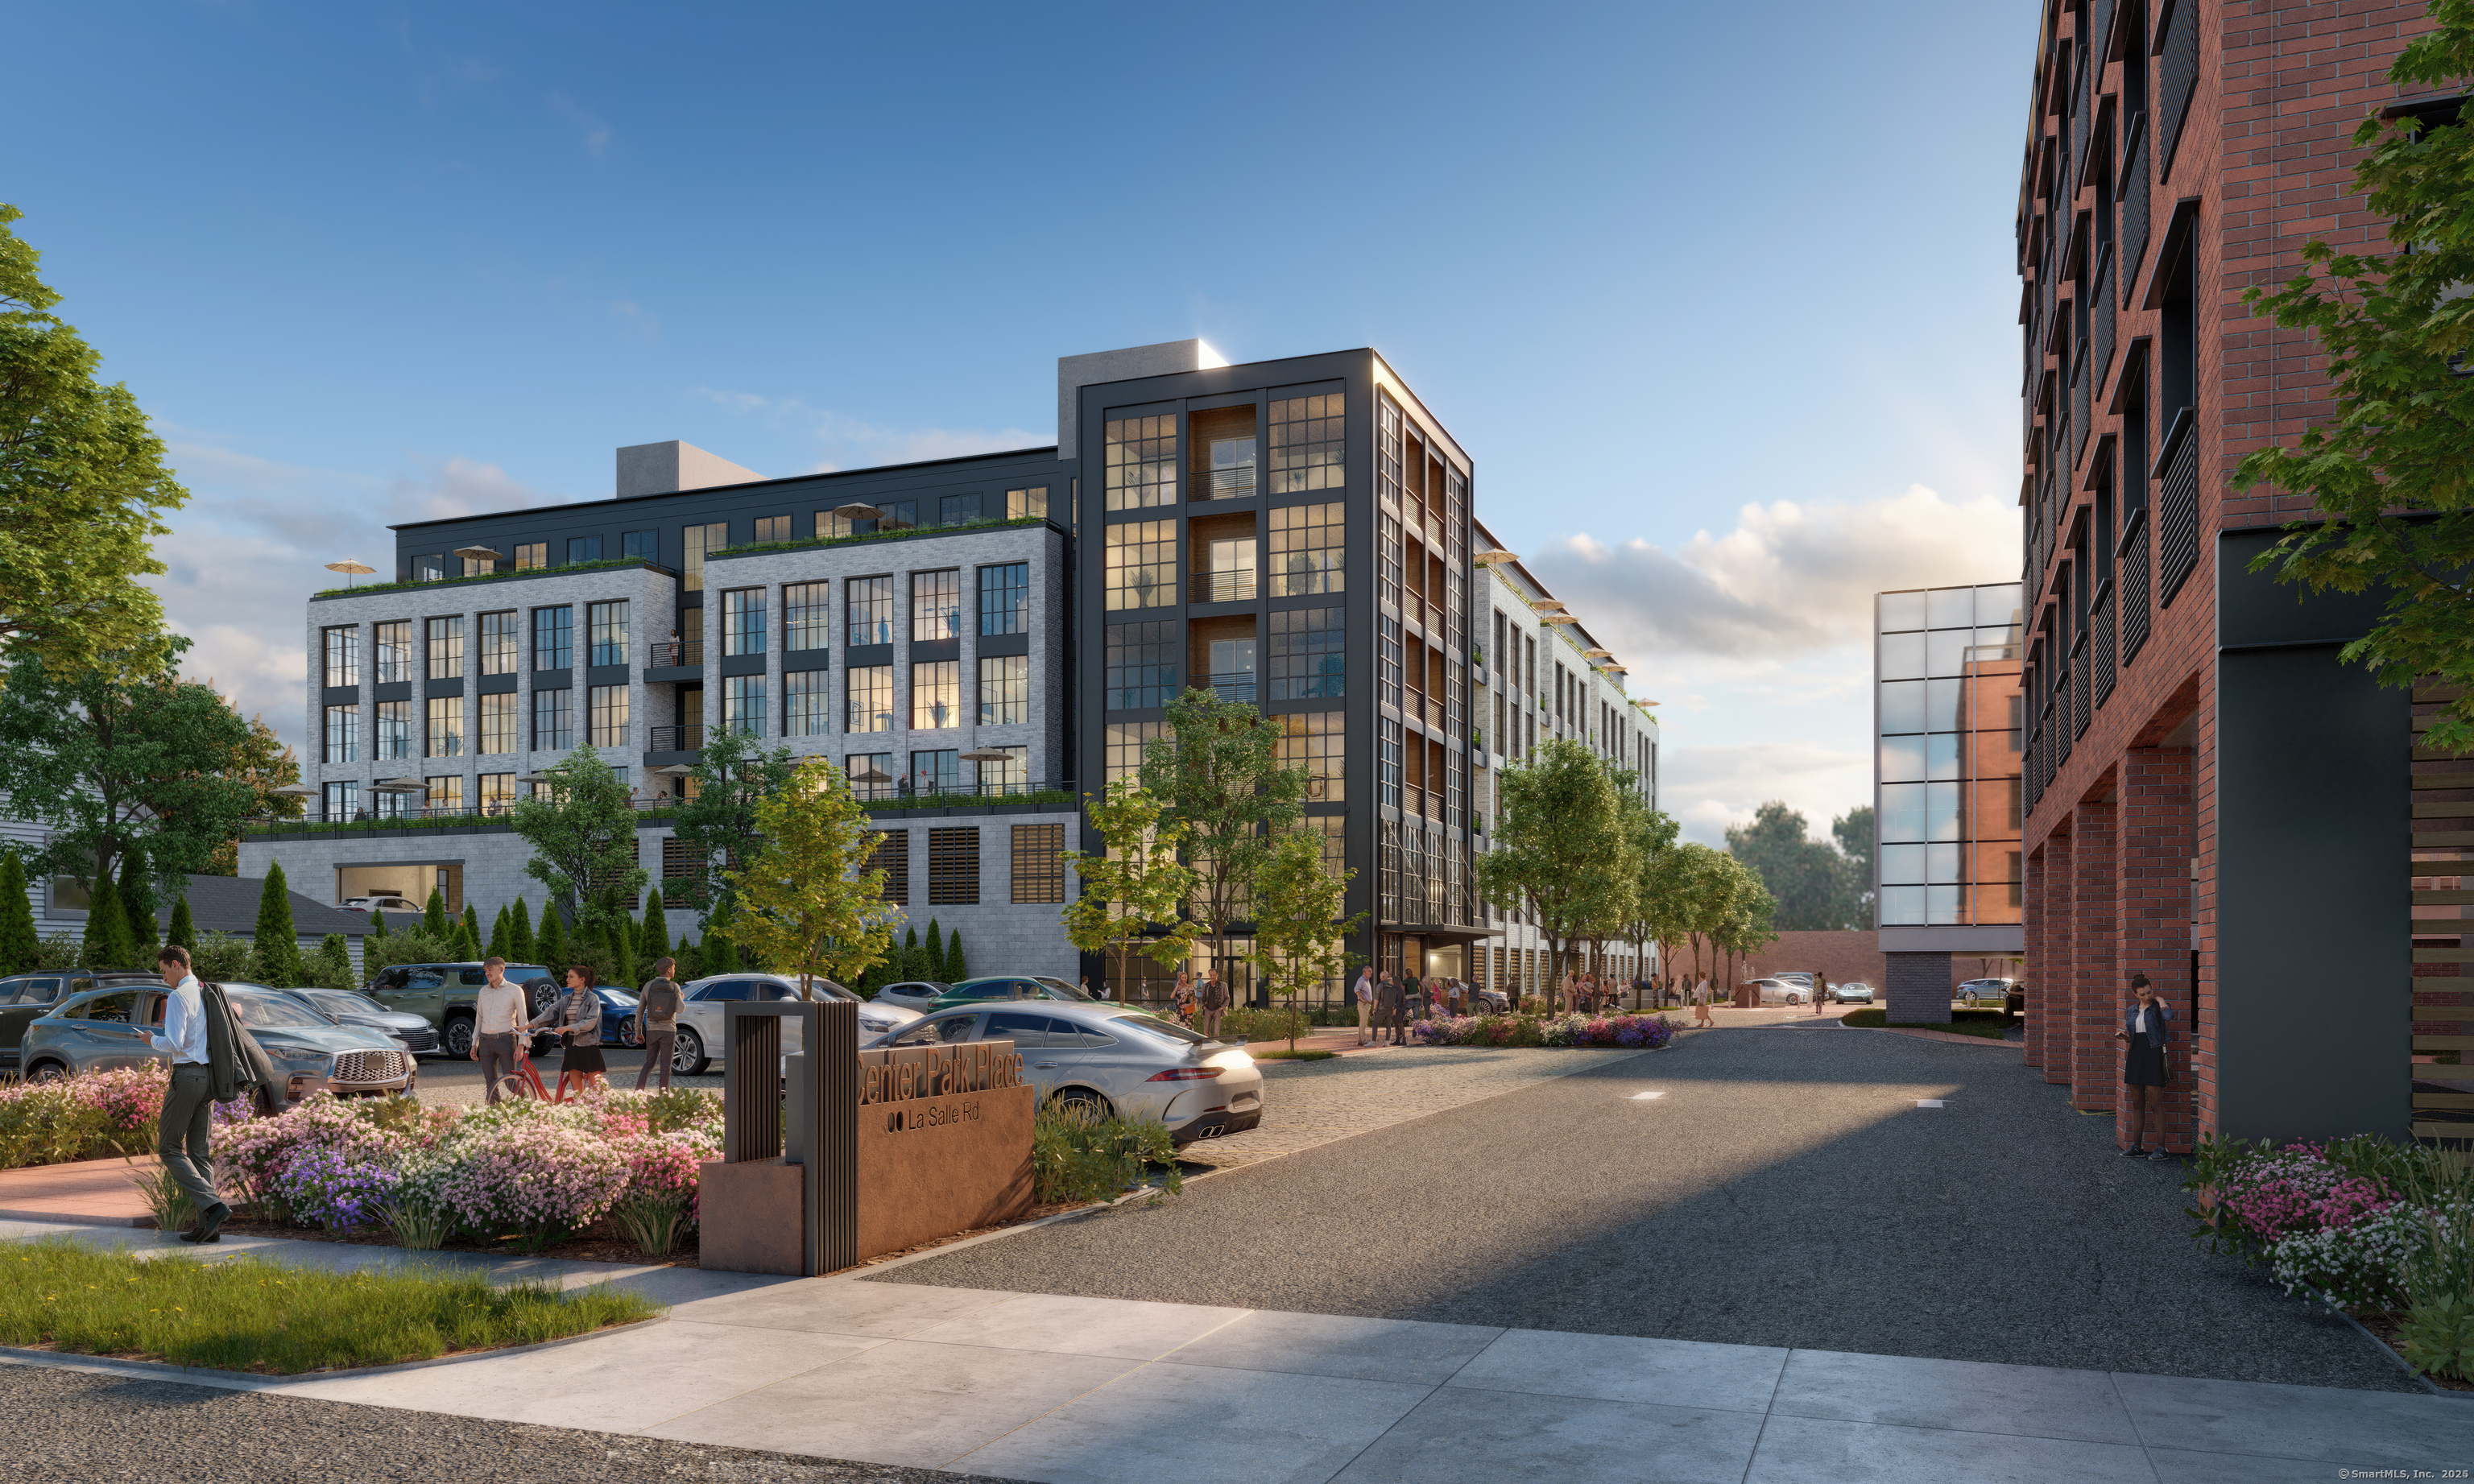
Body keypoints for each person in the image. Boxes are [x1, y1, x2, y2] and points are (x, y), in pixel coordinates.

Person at [144, 946, 231, 1244]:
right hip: (208, 1076)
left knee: (168, 1148)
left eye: (165, 971)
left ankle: (215, 1206)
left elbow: (174, 1042)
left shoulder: (179, 996)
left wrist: (150, 1039)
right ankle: (209, 1228)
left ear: (176, 964)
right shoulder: (206, 991)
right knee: (199, 1153)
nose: (164, 977)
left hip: (188, 1075)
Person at [2116, 973, 2174, 1160]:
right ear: (2135, 994)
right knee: (2137, 1103)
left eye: (2149, 992)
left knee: (2156, 1104)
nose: (2147, 996)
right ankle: (2137, 1146)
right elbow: (2135, 1035)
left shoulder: (2158, 1007)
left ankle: (2162, 1149)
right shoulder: (2132, 1010)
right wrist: (2125, 1038)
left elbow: (2169, 1017)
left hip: (2153, 1055)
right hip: (2135, 1055)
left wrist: (2161, 1000)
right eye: (2143, 994)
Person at [531, 963, 606, 1099]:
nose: (567, 979)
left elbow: (590, 1022)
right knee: (577, 1092)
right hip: (571, 1045)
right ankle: (582, 1114)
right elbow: (549, 1013)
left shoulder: (592, 999)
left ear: (582, 979)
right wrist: (529, 1025)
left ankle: (605, 1114)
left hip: (588, 1045)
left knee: (598, 1090)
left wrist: (567, 1028)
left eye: (571, 976)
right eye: (567, 976)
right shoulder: (566, 999)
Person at [472, 956, 529, 1104]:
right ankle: (494, 1114)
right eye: (485, 970)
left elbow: (523, 1020)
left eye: (490, 970)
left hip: (506, 1040)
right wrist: (474, 1043)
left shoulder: (515, 990)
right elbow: (479, 1019)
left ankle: (529, 1105)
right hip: (485, 1041)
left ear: (501, 969)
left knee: (510, 1082)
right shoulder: (483, 991)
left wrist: (522, 1045)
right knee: (490, 1082)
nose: (487, 973)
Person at [635, 957, 682, 1091]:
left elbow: (640, 1011)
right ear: (668, 970)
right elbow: (680, 1009)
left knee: (649, 1063)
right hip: (668, 1031)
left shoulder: (648, 986)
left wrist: (638, 1032)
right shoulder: (675, 986)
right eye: (673, 968)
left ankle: (638, 1093)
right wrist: (681, 998)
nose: (674, 970)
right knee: (666, 1066)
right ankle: (664, 1097)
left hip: (652, 1030)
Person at [1376, 971, 1406, 1045]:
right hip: (1394, 1009)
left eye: (1392, 980)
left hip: (1398, 1009)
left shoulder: (1399, 990)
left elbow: (1399, 1001)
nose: (1391, 981)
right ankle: (1397, 1039)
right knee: (1396, 1025)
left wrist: (1395, 1009)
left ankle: (1404, 1040)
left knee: (1400, 1024)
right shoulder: (1394, 988)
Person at [1198, 970, 1229, 1040]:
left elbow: (1227, 999)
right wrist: (1203, 1007)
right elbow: (1202, 998)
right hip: (1207, 1010)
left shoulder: (1223, 985)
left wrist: (1222, 1007)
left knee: (1216, 1032)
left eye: (1214, 975)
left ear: (1217, 975)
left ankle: (1216, 1046)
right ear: (1209, 975)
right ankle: (1209, 1044)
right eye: (1211, 975)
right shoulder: (1205, 985)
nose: (1212, 977)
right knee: (1206, 1031)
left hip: (1217, 1010)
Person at [1352, 965, 1376, 1046]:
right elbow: (1356, 989)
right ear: (1364, 972)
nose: (1371, 972)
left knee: (1362, 1022)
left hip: (1366, 1004)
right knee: (1364, 1022)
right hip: (1363, 1004)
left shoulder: (1366, 980)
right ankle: (1364, 1040)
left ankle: (1360, 1041)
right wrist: (1362, 999)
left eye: (1371, 971)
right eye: (1369, 971)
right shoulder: (1361, 980)